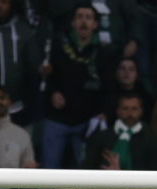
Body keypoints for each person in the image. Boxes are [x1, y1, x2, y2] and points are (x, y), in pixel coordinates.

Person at [41, 6, 111, 169]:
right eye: (80, 17)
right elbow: (46, 77)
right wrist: (53, 92)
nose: (84, 21)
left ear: (95, 24)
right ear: (73, 23)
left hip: (86, 122)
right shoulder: (57, 46)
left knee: (86, 173)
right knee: (48, 172)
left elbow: (109, 87)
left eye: (88, 18)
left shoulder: (104, 53)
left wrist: (105, 112)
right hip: (56, 119)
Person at [82, 93, 157, 170]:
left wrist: (120, 173)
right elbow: (87, 166)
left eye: (134, 109)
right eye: (125, 109)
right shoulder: (104, 136)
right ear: (118, 111)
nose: (130, 113)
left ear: (141, 111)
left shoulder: (151, 139)